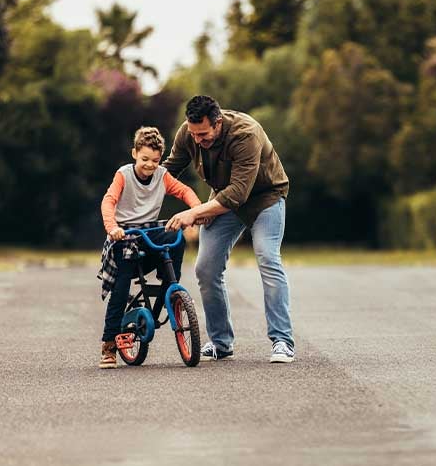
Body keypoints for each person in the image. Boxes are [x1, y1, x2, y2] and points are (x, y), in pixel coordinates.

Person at [163, 95, 294, 363]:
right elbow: (168, 171)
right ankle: (221, 343)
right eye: (194, 134)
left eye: (204, 134)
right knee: (206, 268)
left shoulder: (246, 133)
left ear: (218, 123)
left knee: (267, 258)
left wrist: (195, 212)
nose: (198, 140)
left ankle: (282, 341)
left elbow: (237, 194)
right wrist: (134, 186)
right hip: (224, 199)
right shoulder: (189, 133)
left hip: (265, 198)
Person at [97, 126, 202, 369]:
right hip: (125, 234)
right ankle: (109, 345)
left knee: (175, 235)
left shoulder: (162, 175)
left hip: (150, 230)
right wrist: (112, 227)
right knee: (121, 288)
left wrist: (196, 212)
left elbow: (184, 191)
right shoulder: (123, 175)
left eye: (155, 160)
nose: (150, 165)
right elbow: (109, 200)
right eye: (145, 159)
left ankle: (171, 288)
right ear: (134, 153)